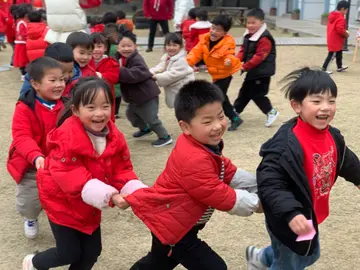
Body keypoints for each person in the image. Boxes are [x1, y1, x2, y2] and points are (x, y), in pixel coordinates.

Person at [125, 80, 261, 270]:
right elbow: (219, 195)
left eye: (220, 116)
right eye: (207, 121)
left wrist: (257, 185)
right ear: (185, 126)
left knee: (158, 262)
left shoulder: (204, 145)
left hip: (175, 221)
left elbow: (226, 169)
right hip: (175, 229)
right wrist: (258, 202)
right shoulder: (193, 159)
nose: (217, 126)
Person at [22, 77, 146, 270]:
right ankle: (33, 263)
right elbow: (71, 175)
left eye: (105, 106)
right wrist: (111, 196)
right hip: (61, 203)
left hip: (89, 203)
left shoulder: (115, 137)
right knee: (68, 252)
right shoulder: (65, 138)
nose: (99, 113)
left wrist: (136, 191)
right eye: (90, 107)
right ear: (76, 111)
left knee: (92, 251)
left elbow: (122, 169)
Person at [247, 67, 360, 270]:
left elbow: (346, 161)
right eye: (316, 101)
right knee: (290, 264)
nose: (325, 107)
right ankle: (265, 259)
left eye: (331, 101)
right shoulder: (284, 145)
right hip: (288, 218)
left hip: (310, 213)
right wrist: (292, 214)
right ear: (297, 106)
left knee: (308, 255)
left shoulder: (333, 136)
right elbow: (271, 184)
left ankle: (261, 258)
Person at [7, 57, 66, 240]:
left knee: (61, 197)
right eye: (53, 80)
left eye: (62, 79)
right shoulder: (25, 108)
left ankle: (61, 222)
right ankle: (30, 218)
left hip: (58, 164)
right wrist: (35, 156)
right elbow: (22, 136)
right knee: (29, 201)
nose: (59, 84)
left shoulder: (66, 106)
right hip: (31, 166)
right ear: (35, 83)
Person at [115, 30, 173, 147]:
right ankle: (145, 129)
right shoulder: (118, 59)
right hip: (134, 98)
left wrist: (119, 71)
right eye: (123, 46)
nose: (126, 49)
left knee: (151, 118)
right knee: (131, 116)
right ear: (118, 47)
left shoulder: (137, 59)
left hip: (147, 96)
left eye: (129, 46)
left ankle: (164, 137)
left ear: (135, 46)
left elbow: (136, 74)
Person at [187, 15, 242, 131]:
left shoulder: (227, 42)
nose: (214, 32)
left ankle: (232, 117)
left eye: (218, 30)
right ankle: (234, 117)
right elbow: (196, 52)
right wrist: (188, 61)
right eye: (212, 28)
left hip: (225, 75)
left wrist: (229, 61)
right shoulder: (205, 40)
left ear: (225, 33)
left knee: (217, 97)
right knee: (221, 97)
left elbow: (230, 55)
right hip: (215, 75)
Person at [234, 8, 279, 128]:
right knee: (244, 92)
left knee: (257, 94)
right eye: (248, 22)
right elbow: (243, 50)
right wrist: (236, 61)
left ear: (262, 22)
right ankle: (235, 112)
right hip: (253, 71)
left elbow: (260, 56)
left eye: (253, 22)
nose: (250, 25)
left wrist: (245, 66)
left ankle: (271, 112)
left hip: (262, 72)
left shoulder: (264, 38)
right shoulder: (248, 35)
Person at [150, 33, 195, 108]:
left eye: (174, 45)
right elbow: (160, 67)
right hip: (175, 88)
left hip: (183, 88)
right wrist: (150, 72)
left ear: (180, 46)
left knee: (185, 108)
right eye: (169, 45)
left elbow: (172, 75)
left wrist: (156, 77)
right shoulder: (167, 57)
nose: (171, 48)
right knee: (179, 107)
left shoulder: (181, 60)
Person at [91, 32, 120, 121]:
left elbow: (114, 78)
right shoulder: (86, 62)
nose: (95, 49)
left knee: (107, 118)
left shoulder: (111, 62)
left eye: (99, 46)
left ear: (105, 48)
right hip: (89, 95)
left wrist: (101, 75)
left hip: (106, 95)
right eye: (92, 47)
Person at [321, 0, 349, 74]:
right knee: (332, 54)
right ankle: (324, 68)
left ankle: (339, 67)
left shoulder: (333, 15)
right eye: (346, 10)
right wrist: (346, 34)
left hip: (332, 38)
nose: (347, 11)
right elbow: (340, 29)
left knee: (339, 53)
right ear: (342, 9)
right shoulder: (340, 18)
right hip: (335, 39)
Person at [13, 3, 32, 81]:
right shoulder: (21, 22)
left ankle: (24, 73)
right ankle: (23, 74)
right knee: (23, 60)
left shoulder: (21, 21)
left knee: (24, 60)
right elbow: (24, 33)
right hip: (22, 44)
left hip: (22, 43)